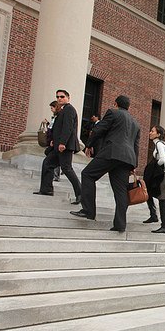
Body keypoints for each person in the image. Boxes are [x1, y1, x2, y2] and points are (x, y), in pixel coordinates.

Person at [70, 95, 140, 233]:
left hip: (112, 152)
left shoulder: (113, 113)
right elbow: (136, 145)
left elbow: (98, 129)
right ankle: (120, 224)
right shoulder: (136, 123)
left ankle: (88, 211)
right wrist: (133, 165)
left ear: (115, 104)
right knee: (120, 190)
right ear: (129, 106)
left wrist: (88, 145)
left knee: (88, 174)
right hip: (127, 159)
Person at [35, 89, 81, 204]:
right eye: (58, 97)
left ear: (68, 98)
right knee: (47, 163)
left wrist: (62, 143)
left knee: (67, 169)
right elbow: (58, 128)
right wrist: (54, 141)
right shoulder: (62, 111)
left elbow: (68, 128)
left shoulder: (69, 110)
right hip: (58, 145)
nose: (59, 99)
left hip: (65, 146)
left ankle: (81, 195)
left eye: (62, 96)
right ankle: (46, 190)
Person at [143, 125, 165, 233]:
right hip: (161, 175)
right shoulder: (158, 144)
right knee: (148, 192)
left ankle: (164, 225)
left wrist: (155, 167)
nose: (150, 133)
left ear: (158, 134)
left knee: (162, 199)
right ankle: (153, 215)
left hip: (164, 175)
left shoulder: (160, 144)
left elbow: (162, 159)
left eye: (152, 131)